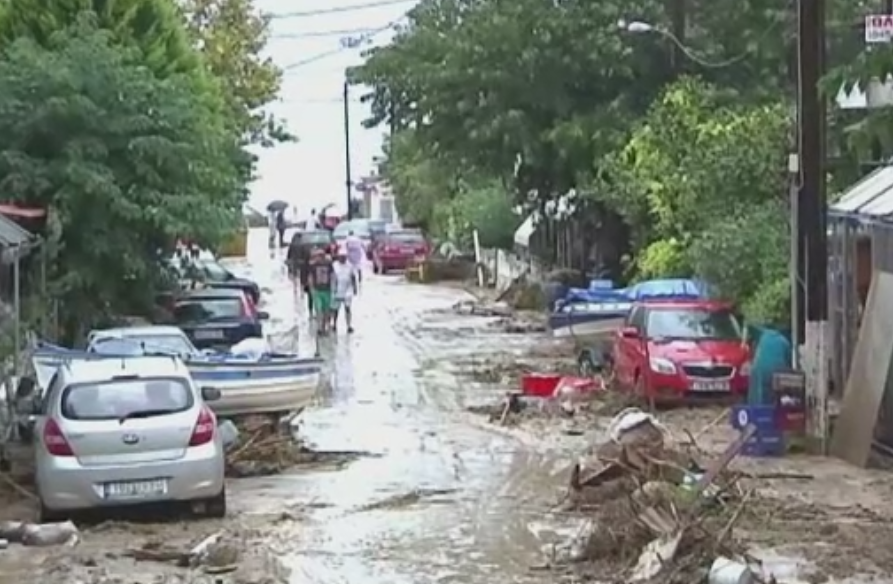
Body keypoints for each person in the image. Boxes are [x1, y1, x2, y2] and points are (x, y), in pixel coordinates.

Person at [331, 248, 358, 333]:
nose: (342, 258)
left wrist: (355, 288)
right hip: (337, 290)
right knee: (335, 309)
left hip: (347, 290)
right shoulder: (334, 265)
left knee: (347, 308)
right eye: (341, 257)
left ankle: (349, 325)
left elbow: (353, 277)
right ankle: (334, 324)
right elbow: (331, 277)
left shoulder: (350, 266)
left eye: (344, 257)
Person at [307, 249, 334, 334]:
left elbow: (332, 276)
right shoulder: (313, 265)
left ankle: (324, 326)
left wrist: (333, 288)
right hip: (317, 290)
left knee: (326, 310)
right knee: (319, 309)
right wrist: (311, 288)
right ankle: (320, 327)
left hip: (327, 290)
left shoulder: (329, 264)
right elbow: (310, 277)